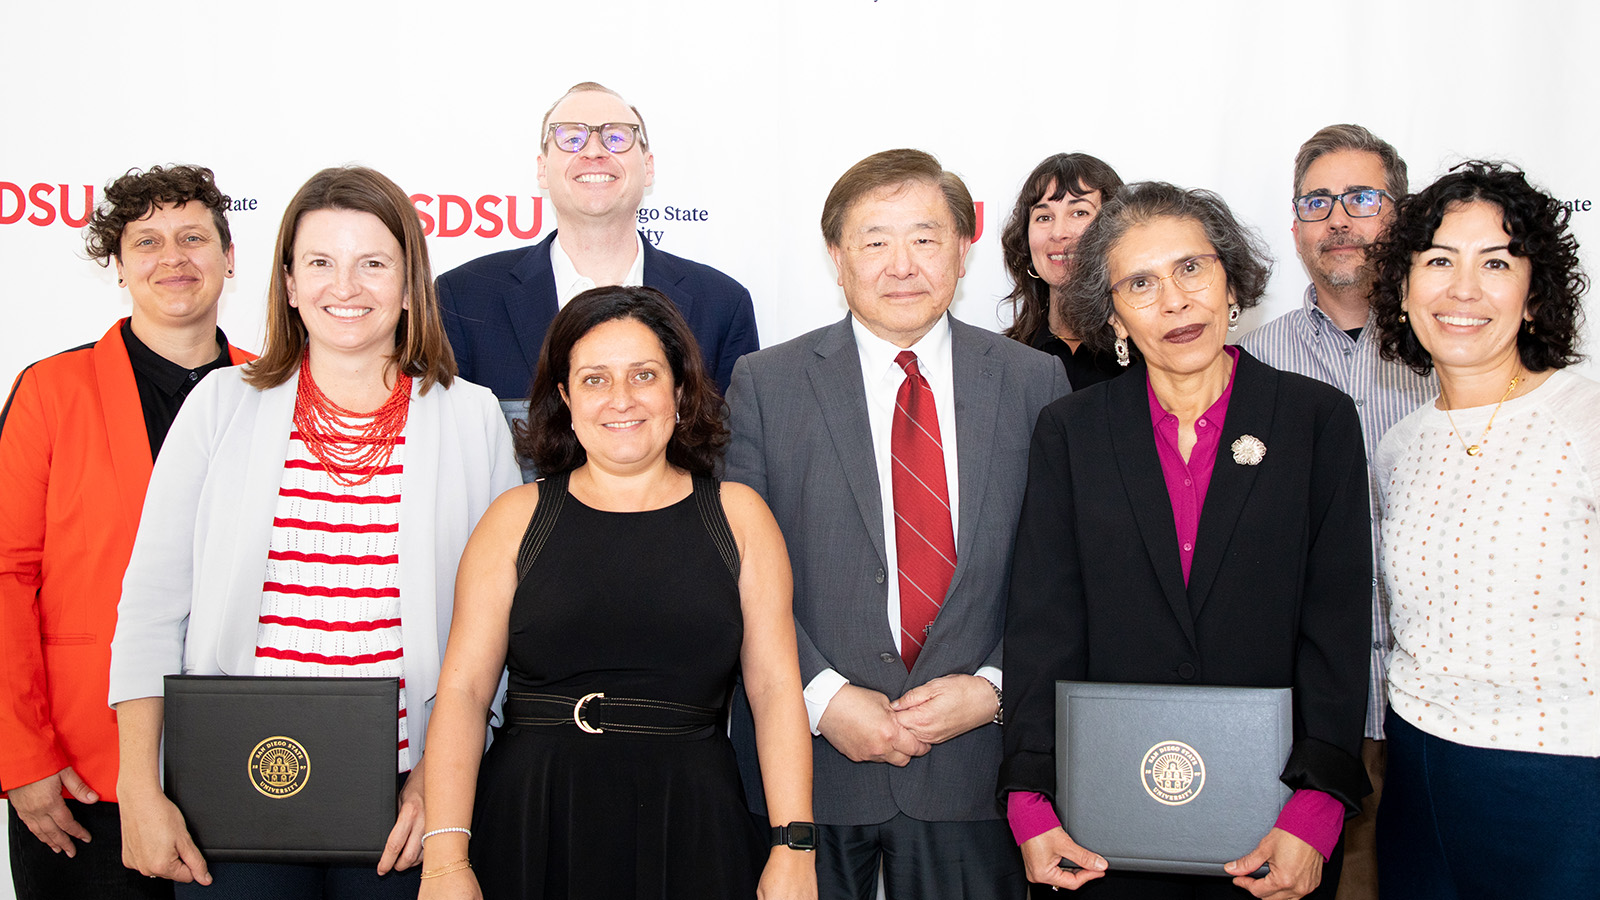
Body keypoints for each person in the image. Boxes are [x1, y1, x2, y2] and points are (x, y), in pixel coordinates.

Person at [107, 166, 520, 897]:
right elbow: (149, 611)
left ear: (408, 282)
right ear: (290, 283)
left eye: (373, 263)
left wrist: (439, 779)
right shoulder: (218, 406)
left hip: (406, 802)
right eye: (321, 263)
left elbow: (495, 629)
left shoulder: (470, 417)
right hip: (231, 791)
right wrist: (139, 788)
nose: (346, 287)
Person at [1002, 182, 1372, 899]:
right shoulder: (1071, 433)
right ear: (1111, 313)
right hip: (1103, 826)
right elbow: (1044, 625)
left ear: (1230, 278)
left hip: (1274, 826)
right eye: (1140, 283)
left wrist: (1317, 810)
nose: (1174, 301)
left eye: (1191, 269)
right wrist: (1030, 801)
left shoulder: (1315, 422)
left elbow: (1336, 630)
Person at [725, 148, 1071, 900]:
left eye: (925, 237)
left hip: (980, 769)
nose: (901, 263)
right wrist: (820, 699)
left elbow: (1066, 571)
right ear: (836, 258)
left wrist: (996, 685)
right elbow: (736, 569)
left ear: (963, 249)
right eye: (874, 240)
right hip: (809, 769)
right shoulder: (765, 383)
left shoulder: (1033, 381)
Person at [417, 285, 814, 899]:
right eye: (595, 379)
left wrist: (794, 848)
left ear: (679, 393)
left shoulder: (739, 517)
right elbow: (465, 694)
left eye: (644, 375)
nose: (621, 399)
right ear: (564, 398)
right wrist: (445, 858)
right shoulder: (514, 519)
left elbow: (775, 691)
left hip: (695, 823)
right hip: (532, 821)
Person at [0, 165, 253, 900]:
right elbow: (7, 577)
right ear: (118, 265)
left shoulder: (276, 391)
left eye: (193, 237)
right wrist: (22, 757)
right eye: (146, 241)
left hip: (241, 762)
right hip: (79, 774)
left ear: (229, 258)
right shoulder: (51, 391)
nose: (173, 257)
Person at [1367, 162, 1598, 899]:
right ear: (1403, 292)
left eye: (1495, 263)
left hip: (1565, 781)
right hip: (1419, 771)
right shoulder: (1400, 444)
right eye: (1438, 261)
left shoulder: (1584, 423)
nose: (1462, 289)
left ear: (1534, 298)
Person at [1238, 124, 1436, 900]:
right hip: (1313, 714)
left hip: (1438, 705)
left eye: (1362, 198)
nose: (1339, 219)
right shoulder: (1250, 366)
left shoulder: (1454, 351)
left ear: (1401, 215)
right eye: (1317, 202)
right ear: (1295, 228)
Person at [436, 81, 760, 446]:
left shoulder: (721, 303)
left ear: (648, 167)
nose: (593, 151)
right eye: (570, 138)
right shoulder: (464, 297)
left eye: (617, 138)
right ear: (542, 170)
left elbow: (732, 456)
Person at [1000, 152, 1125, 389]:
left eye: (1079, 213)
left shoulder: (1147, 351)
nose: (1058, 233)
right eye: (1044, 217)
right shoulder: (1004, 359)